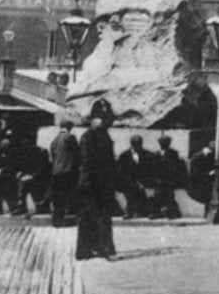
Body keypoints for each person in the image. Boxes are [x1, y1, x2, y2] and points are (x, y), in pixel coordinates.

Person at [76, 100, 118, 260]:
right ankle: (94, 249)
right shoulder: (90, 137)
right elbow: (87, 163)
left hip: (101, 182)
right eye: (103, 118)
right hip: (93, 183)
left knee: (98, 215)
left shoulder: (101, 135)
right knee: (92, 215)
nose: (107, 122)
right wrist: (88, 183)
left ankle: (97, 247)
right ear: (94, 119)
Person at [49, 117, 80, 228]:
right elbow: (77, 154)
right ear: (69, 127)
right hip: (68, 171)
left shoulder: (55, 139)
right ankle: (70, 217)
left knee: (58, 197)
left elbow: (52, 156)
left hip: (56, 172)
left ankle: (57, 220)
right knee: (68, 195)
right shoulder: (70, 138)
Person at [116, 135, 154, 219]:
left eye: (139, 144)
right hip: (129, 182)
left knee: (146, 196)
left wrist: (144, 181)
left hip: (143, 182)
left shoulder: (148, 154)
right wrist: (130, 181)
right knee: (130, 195)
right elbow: (121, 171)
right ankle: (129, 212)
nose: (138, 146)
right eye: (136, 144)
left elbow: (151, 169)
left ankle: (144, 211)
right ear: (131, 144)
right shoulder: (124, 155)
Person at [150, 135, 184, 220]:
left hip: (169, 178)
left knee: (169, 196)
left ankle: (172, 213)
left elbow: (174, 166)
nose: (162, 144)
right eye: (161, 142)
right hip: (159, 179)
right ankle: (156, 212)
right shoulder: (156, 153)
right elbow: (153, 166)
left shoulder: (173, 153)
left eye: (164, 142)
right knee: (157, 196)